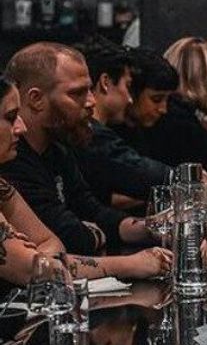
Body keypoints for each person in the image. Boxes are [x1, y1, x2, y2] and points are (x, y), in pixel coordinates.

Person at [0, 75, 171, 288]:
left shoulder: (4, 186)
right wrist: (132, 264)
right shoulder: (16, 168)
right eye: (10, 117)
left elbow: (53, 244)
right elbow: (33, 270)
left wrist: (40, 257)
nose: (21, 127)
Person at [0, 43, 153, 255]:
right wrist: (91, 233)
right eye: (77, 93)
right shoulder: (10, 160)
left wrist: (153, 227)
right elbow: (68, 236)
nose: (91, 101)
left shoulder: (58, 148)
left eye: (89, 89)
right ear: (36, 99)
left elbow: (92, 211)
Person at [74, 43, 207, 206]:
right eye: (75, 93)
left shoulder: (154, 122)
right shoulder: (92, 134)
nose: (129, 99)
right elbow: (133, 179)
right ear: (105, 82)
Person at [124, 48, 207, 181]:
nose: (163, 109)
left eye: (167, 99)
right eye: (156, 99)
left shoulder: (173, 115)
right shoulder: (178, 118)